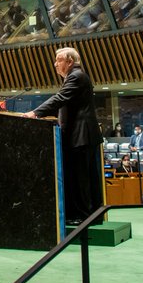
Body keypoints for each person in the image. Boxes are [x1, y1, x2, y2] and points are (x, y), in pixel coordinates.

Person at [24, 47, 102, 224]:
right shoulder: (76, 76)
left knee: (80, 178)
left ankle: (82, 217)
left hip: (80, 135)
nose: (55, 64)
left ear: (70, 62)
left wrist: (35, 113)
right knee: (85, 177)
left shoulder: (76, 76)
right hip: (81, 136)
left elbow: (59, 99)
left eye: (59, 60)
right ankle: (91, 215)